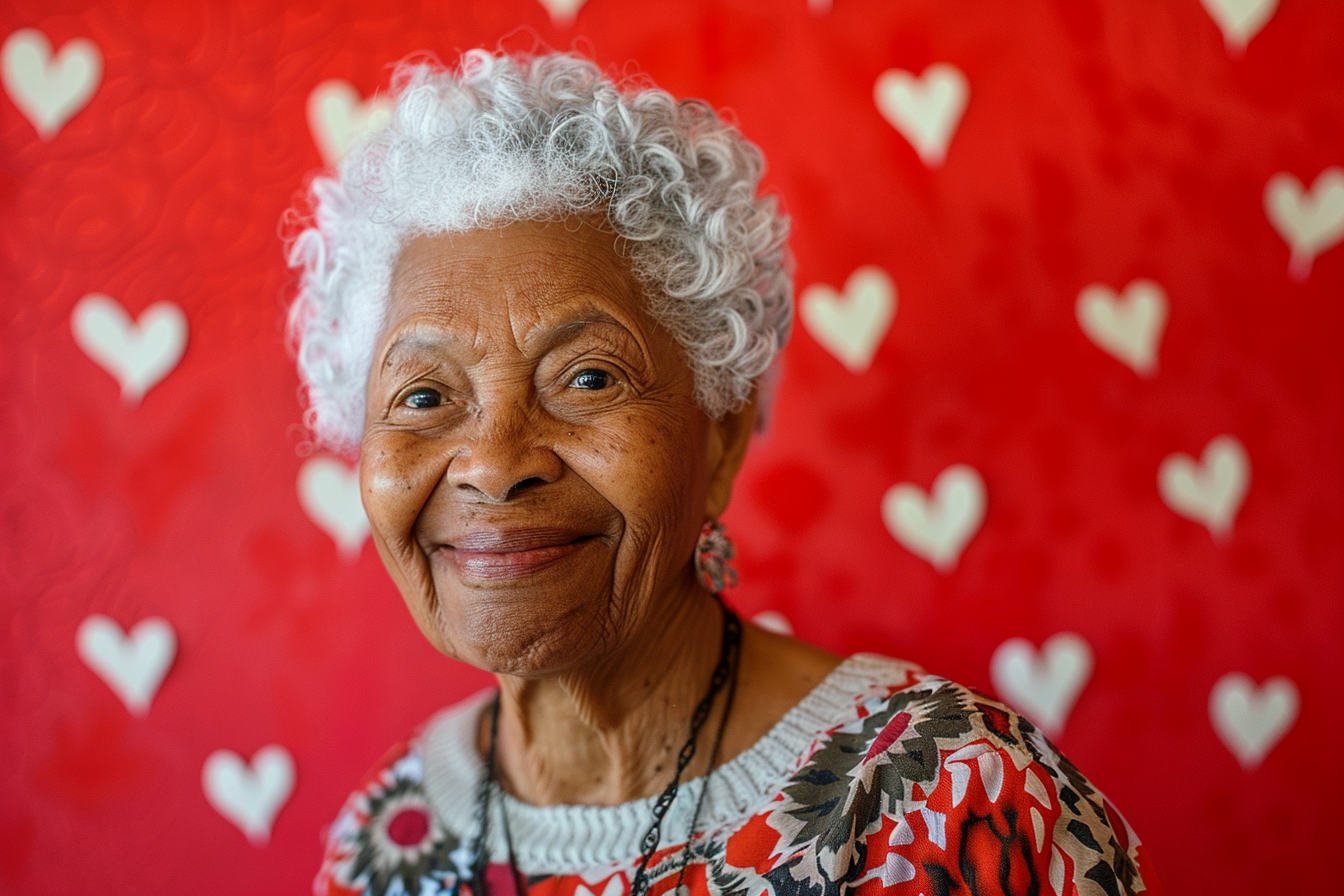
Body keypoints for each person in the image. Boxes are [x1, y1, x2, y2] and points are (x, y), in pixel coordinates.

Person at [288, 50, 1160, 896]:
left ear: (722, 435)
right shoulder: (386, 839)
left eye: (588, 378)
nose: (493, 463)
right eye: (424, 394)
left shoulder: (948, 805)